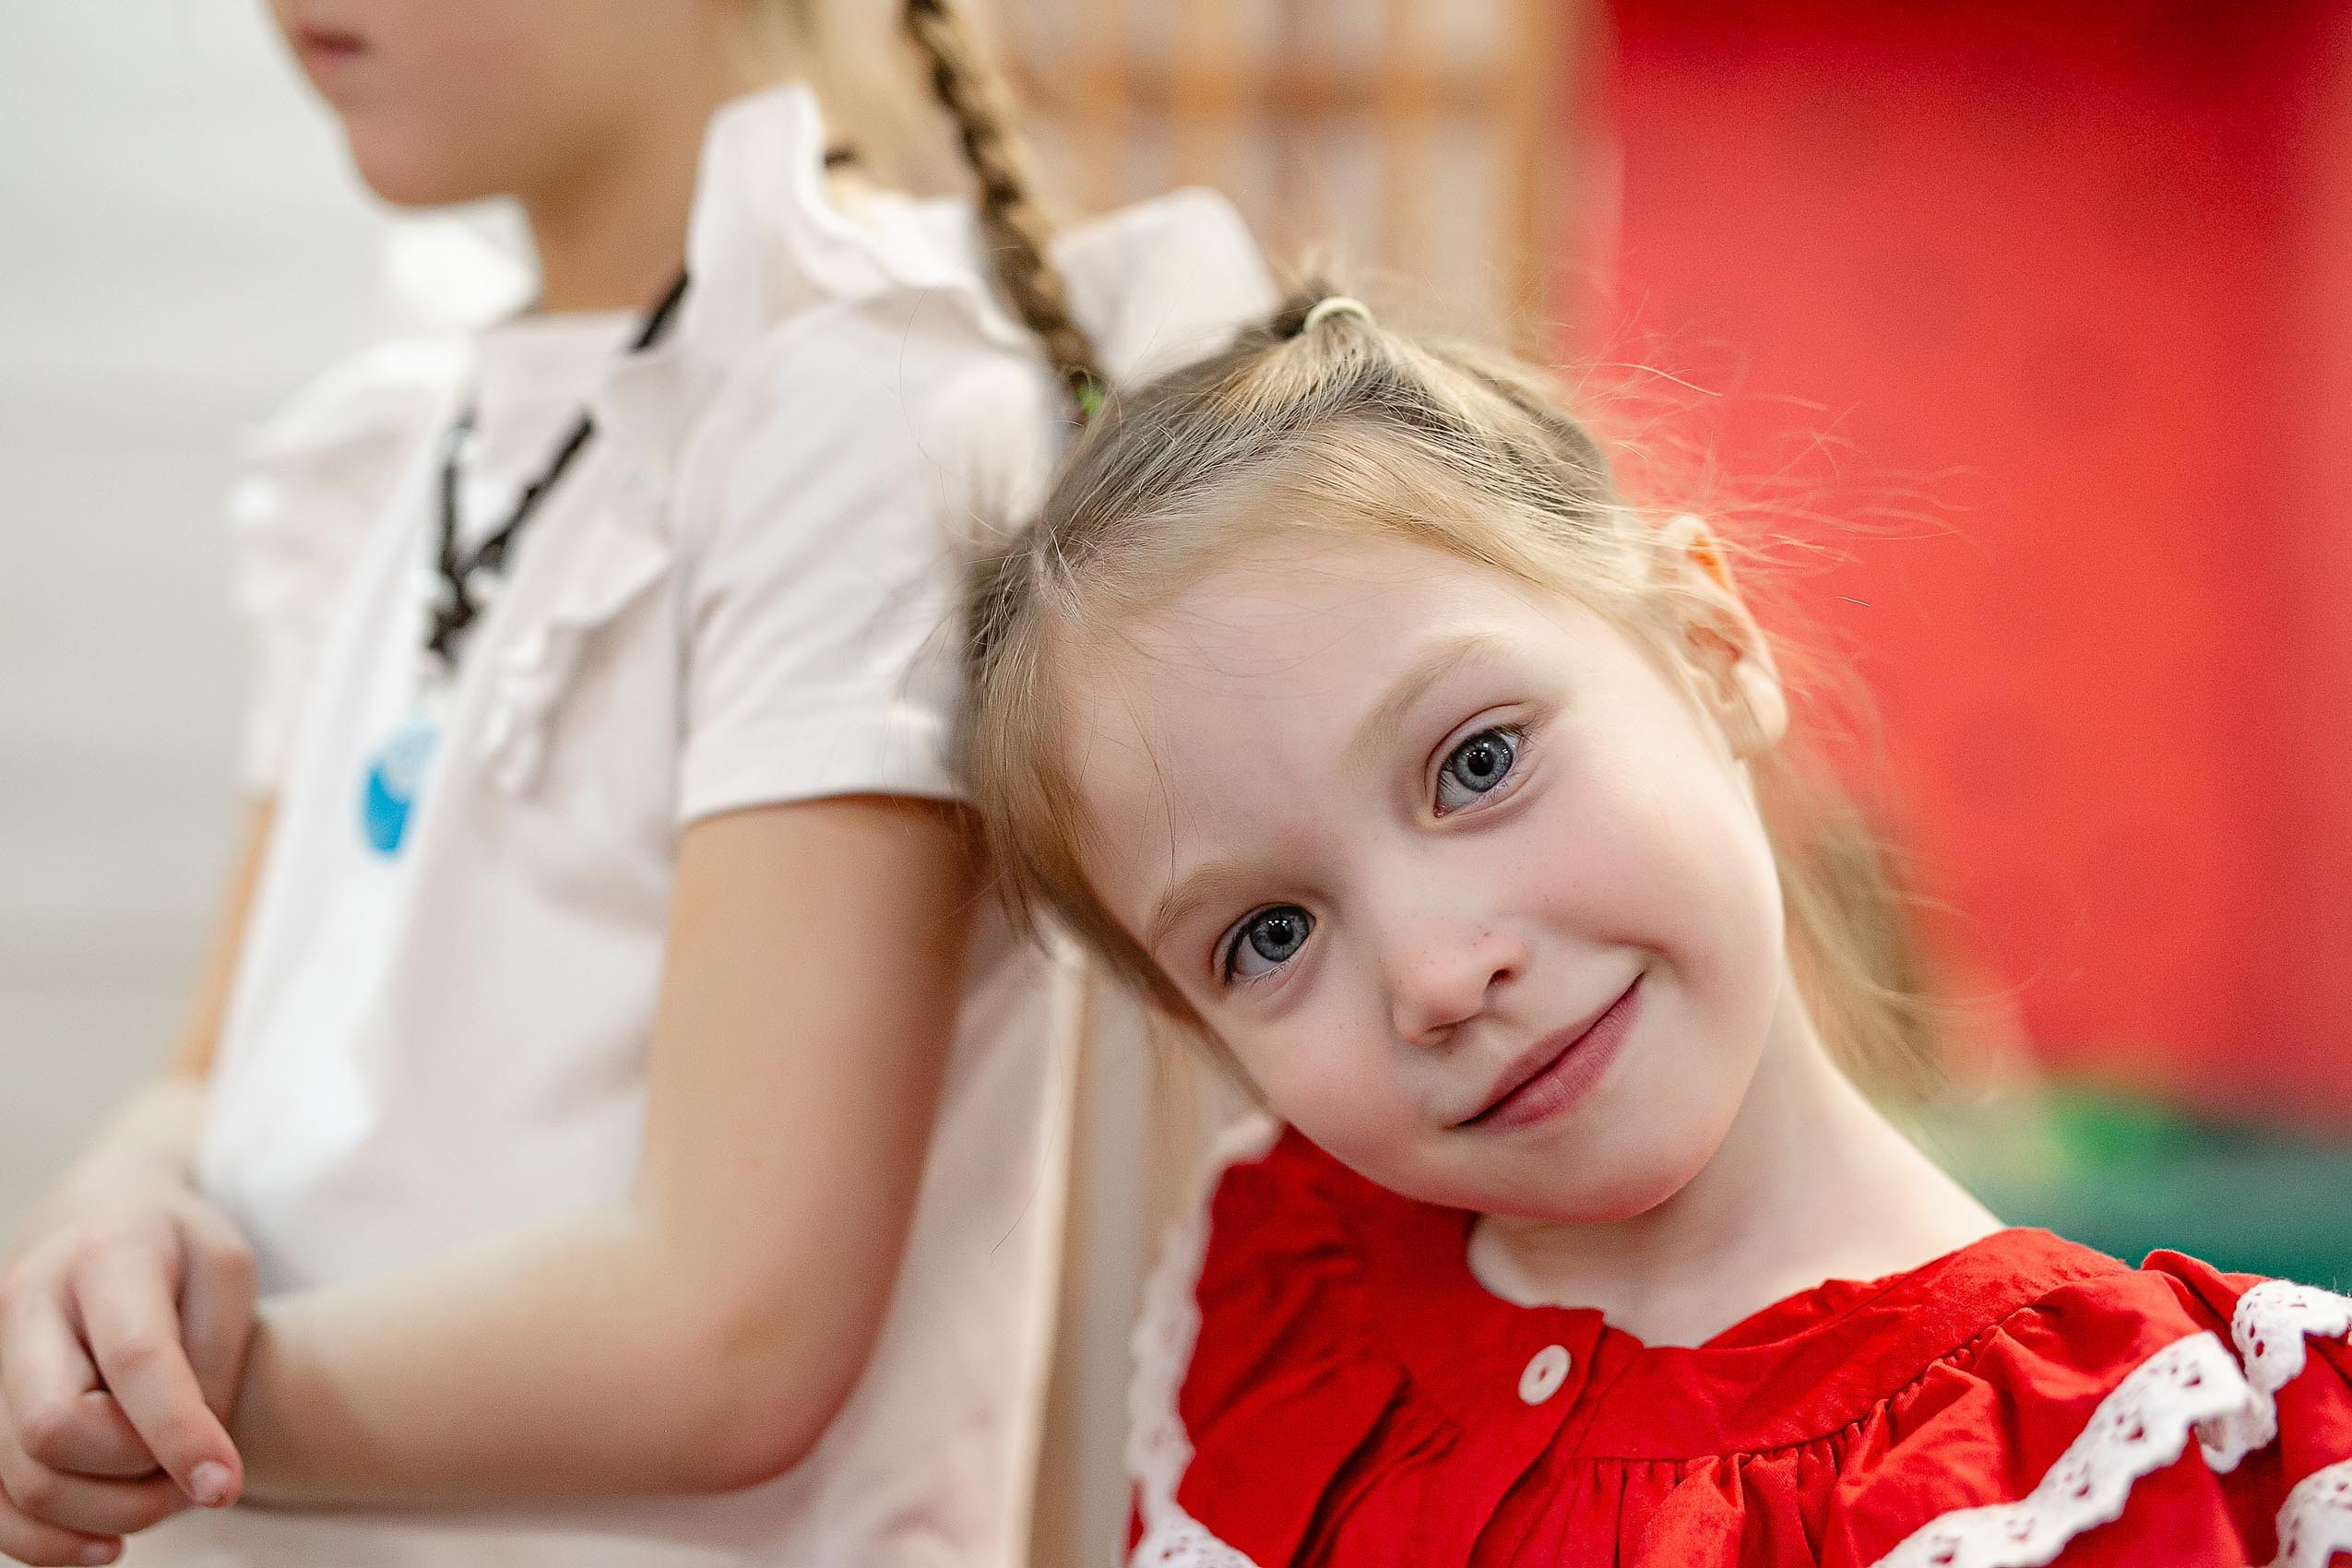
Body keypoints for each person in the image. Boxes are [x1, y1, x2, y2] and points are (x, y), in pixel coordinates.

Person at [0, 3, 1270, 1564]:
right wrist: (107, 1220)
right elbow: (219, 1073)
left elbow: (731, 1330)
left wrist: (149, 1406)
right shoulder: (410, 428)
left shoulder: (854, 406)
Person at [959, 289, 2352, 1566]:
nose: (1439, 977)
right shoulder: (1291, 1297)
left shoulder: (2087, 1466)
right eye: (1268, 935)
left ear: (1709, 651)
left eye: (1477, 763)